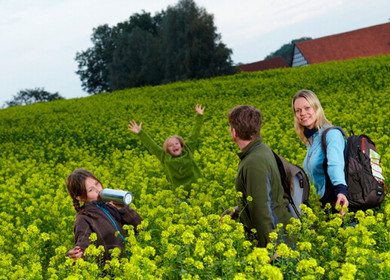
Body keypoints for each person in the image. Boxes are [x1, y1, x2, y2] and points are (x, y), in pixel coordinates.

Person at [221, 105, 292, 248]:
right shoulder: (261, 149)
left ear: (234, 132)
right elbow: (264, 195)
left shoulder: (254, 162)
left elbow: (262, 208)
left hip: (277, 243)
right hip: (280, 234)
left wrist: (271, 248)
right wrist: (239, 209)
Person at [292, 89, 349, 215]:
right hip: (326, 205)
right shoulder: (311, 140)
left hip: (341, 203)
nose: (303, 113)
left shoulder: (331, 134)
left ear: (316, 108)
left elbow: (335, 165)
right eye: (298, 110)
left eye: (307, 108)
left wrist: (341, 191)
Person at [66, 169, 142, 263]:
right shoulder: (84, 219)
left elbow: (139, 228)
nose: (98, 190)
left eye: (97, 184)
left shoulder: (111, 206)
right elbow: (83, 246)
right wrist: (74, 255)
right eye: (91, 190)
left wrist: (124, 209)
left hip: (131, 264)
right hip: (110, 271)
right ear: (80, 198)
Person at [128, 104, 205, 195]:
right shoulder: (165, 157)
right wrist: (140, 133)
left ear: (181, 145)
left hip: (198, 190)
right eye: (170, 145)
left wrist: (199, 116)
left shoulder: (188, 149)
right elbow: (152, 146)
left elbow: (194, 134)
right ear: (167, 150)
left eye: (176, 143)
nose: (174, 146)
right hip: (181, 194)